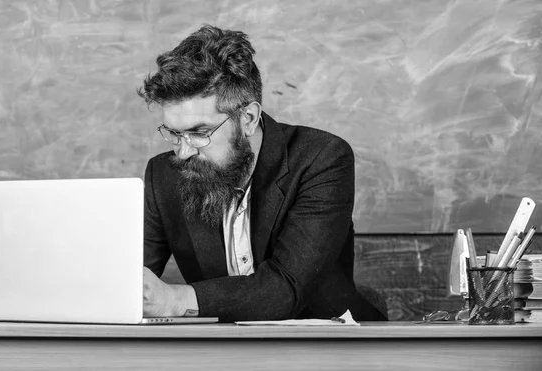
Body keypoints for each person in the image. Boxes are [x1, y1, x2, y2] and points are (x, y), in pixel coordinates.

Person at [137, 24, 386, 322]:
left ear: (248, 118)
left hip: (330, 347)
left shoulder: (322, 158)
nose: (184, 151)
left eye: (200, 133)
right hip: (218, 351)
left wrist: (174, 300)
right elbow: (128, 278)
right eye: (174, 134)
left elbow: (286, 288)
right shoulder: (163, 173)